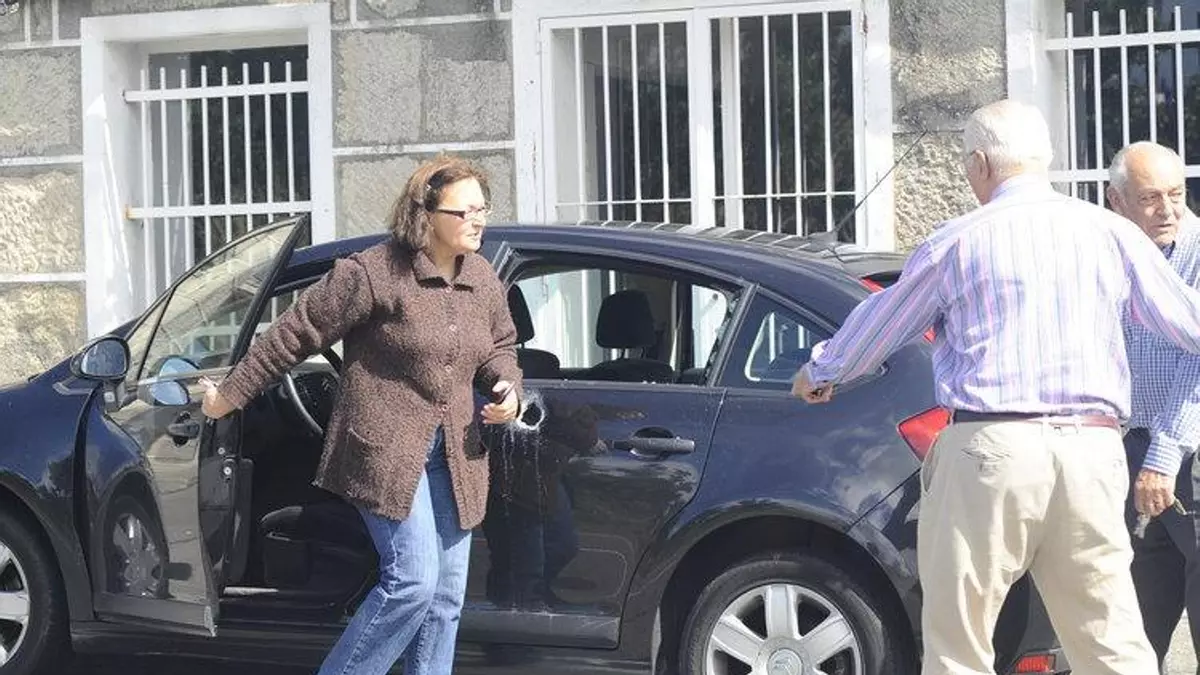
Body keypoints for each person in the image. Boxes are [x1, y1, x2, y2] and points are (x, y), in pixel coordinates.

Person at [791, 99, 1200, 675]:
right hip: (1092, 452)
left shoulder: (958, 240)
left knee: (960, 642)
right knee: (1110, 641)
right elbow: (1192, 325)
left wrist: (821, 371)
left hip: (992, 453)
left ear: (980, 163)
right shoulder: (1112, 234)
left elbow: (883, 321)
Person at [199, 154, 522, 675]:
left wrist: (508, 386)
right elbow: (295, 332)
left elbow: (499, 347)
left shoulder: (481, 277)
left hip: (457, 455)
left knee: (445, 598)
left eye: (482, 209)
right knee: (413, 582)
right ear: (426, 214)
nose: (478, 220)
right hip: (386, 451)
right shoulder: (374, 272)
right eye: (464, 212)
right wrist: (228, 397)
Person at [1108, 141, 1200, 672]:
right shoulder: (1112, 254)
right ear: (1116, 200)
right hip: (1130, 450)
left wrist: (1163, 457)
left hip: (1187, 452)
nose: (1168, 210)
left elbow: (1198, 364)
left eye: (1177, 194)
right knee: (1134, 629)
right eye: (1150, 198)